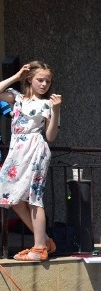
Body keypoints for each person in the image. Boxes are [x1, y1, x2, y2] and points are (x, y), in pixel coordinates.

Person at [0, 61, 62, 262]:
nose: (44, 84)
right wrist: (16, 77)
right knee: (13, 199)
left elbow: (51, 136)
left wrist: (57, 110)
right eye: (40, 80)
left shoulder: (48, 103)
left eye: (48, 81)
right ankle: (44, 240)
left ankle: (39, 247)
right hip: (17, 150)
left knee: (34, 198)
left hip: (35, 149)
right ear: (30, 80)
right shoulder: (16, 98)